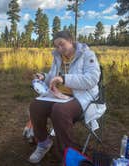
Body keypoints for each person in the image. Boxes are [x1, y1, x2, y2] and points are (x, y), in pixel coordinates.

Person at [28, 31, 101, 164]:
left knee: (59, 110)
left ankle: (68, 154)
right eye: (56, 46)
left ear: (71, 40)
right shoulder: (58, 57)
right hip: (59, 95)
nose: (59, 49)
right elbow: (52, 76)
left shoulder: (87, 55)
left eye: (62, 44)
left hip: (81, 97)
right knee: (35, 105)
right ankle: (44, 143)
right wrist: (44, 77)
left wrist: (64, 79)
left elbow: (92, 79)